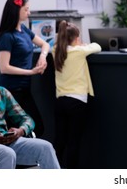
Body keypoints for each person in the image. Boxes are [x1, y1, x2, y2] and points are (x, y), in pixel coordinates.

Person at [0, 0, 50, 138]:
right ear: (16, 11)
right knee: (17, 131)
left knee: (36, 127)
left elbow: (45, 44)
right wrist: (31, 72)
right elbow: (4, 67)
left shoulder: (24, 30)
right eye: (26, 9)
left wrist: (43, 57)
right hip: (11, 92)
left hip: (24, 89)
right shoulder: (7, 36)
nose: (29, 12)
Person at [53, 20, 102, 168]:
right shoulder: (79, 51)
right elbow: (97, 46)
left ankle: (54, 169)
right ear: (75, 39)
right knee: (73, 142)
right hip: (77, 101)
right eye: (79, 38)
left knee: (60, 141)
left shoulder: (56, 50)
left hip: (60, 101)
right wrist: (84, 45)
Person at [0, 68, 60, 169]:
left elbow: (26, 119)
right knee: (7, 154)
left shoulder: (2, 92)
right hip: (2, 150)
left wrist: (20, 131)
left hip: (6, 141)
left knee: (45, 147)